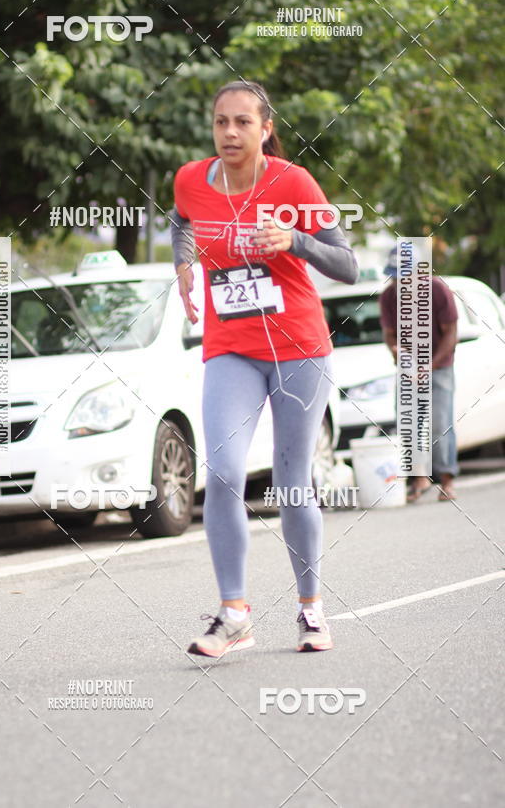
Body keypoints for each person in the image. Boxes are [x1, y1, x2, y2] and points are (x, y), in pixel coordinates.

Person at [169, 80, 359, 658]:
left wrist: (294, 239)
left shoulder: (293, 182)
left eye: (243, 122)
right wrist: (183, 265)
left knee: (291, 480)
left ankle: (310, 609)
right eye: (221, 121)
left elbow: (346, 264)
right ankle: (234, 614)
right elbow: (181, 221)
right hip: (230, 346)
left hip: (299, 346)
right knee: (223, 471)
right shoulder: (189, 179)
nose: (230, 132)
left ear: (265, 128)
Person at [379, 246, 459, 503]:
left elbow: (451, 333)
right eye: (395, 277)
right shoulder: (388, 297)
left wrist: (431, 365)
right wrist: (396, 352)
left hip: (440, 366)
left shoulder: (438, 290)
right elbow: (390, 334)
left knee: (439, 424)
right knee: (408, 424)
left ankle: (446, 481)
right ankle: (419, 478)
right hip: (408, 370)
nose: (399, 282)